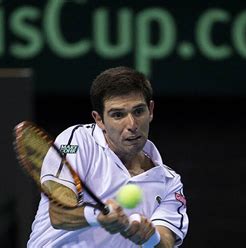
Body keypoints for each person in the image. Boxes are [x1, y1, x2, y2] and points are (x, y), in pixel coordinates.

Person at [27, 66, 188, 247]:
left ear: (150, 110)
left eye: (138, 111)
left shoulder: (169, 182)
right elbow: (59, 213)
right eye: (118, 115)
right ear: (99, 119)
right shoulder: (78, 141)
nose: (132, 124)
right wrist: (98, 216)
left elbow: (166, 241)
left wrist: (150, 236)